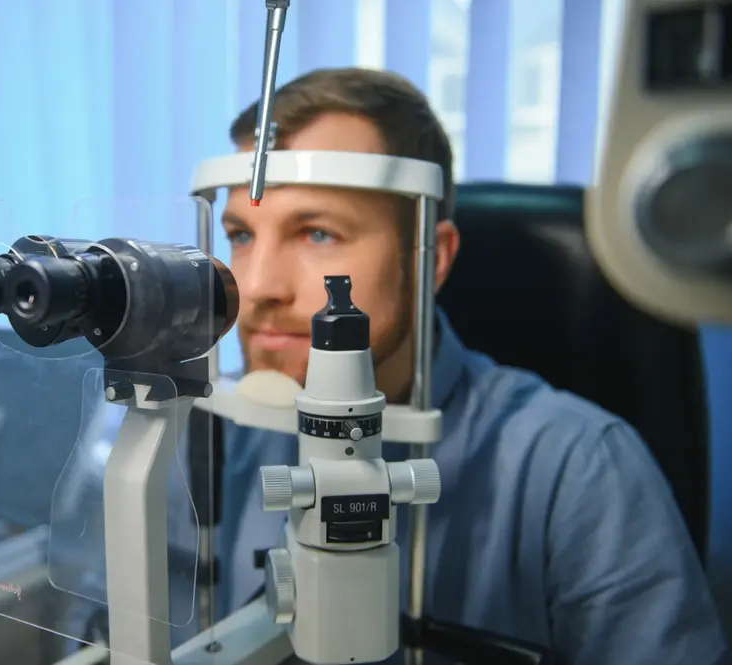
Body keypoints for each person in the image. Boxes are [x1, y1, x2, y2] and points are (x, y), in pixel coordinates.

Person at [212, 68, 730, 665]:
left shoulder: (581, 470)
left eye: (318, 233)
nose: (255, 287)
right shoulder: (210, 438)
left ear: (431, 258)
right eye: (241, 235)